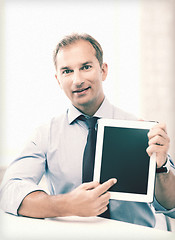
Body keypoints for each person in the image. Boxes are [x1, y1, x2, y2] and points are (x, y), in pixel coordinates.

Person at [0, 33, 175, 228]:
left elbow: (173, 206)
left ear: (103, 70)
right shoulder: (45, 134)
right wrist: (68, 204)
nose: (77, 80)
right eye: (67, 71)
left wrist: (161, 168)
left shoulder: (142, 131)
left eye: (86, 67)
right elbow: (10, 192)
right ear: (58, 80)